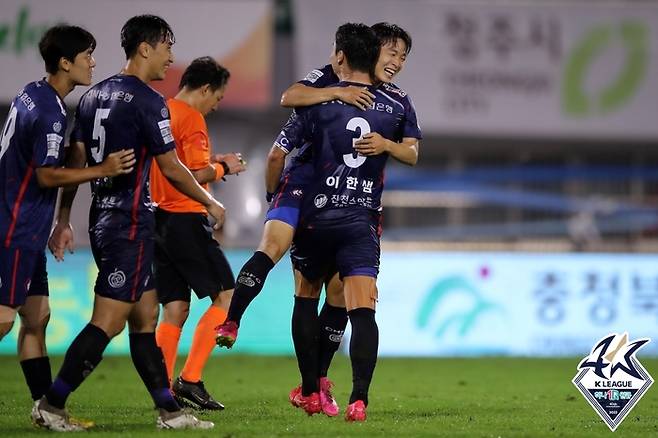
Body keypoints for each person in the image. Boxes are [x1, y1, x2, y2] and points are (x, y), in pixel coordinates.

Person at [215, 22, 419, 417]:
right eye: (391, 52)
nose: (396, 61)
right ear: (370, 51)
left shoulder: (388, 99)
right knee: (339, 297)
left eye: (403, 57)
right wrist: (339, 91)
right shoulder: (331, 82)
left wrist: (387, 144)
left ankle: (312, 381)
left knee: (307, 281)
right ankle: (328, 388)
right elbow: (288, 97)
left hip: (321, 203)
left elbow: (278, 147)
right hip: (329, 202)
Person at [35, 15, 224, 431]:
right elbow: (172, 168)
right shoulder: (148, 100)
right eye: (167, 47)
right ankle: (52, 403)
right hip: (129, 223)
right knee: (108, 322)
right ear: (145, 48)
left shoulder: (90, 97)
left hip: (103, 218)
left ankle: (170, 411)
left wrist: (64, 219)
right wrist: (210, 202)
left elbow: (77, 161)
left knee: (146, 319)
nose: (171, 56)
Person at [0, 24, 134, 420]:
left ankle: (47, 409)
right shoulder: (50, 113)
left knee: (36, 317)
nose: (93, 62)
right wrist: (103, 169)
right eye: (86, 55)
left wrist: (60, 220)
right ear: (64, 62)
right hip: (14, 227)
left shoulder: (32, 93)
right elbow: (45, 175)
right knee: (5, 318)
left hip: (27, 224)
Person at [150, 56, 245, 410]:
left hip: (157, 219)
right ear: (205, 89)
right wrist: (223, 167)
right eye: (217, 98)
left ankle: (162, 389)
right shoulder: (192, 118)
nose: (216, 106)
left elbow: (174, 166)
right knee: (226, 296)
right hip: (185, 217)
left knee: (174, 307)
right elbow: (192, 175)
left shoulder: (161, 112)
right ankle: (190, 380)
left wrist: (210, 164)